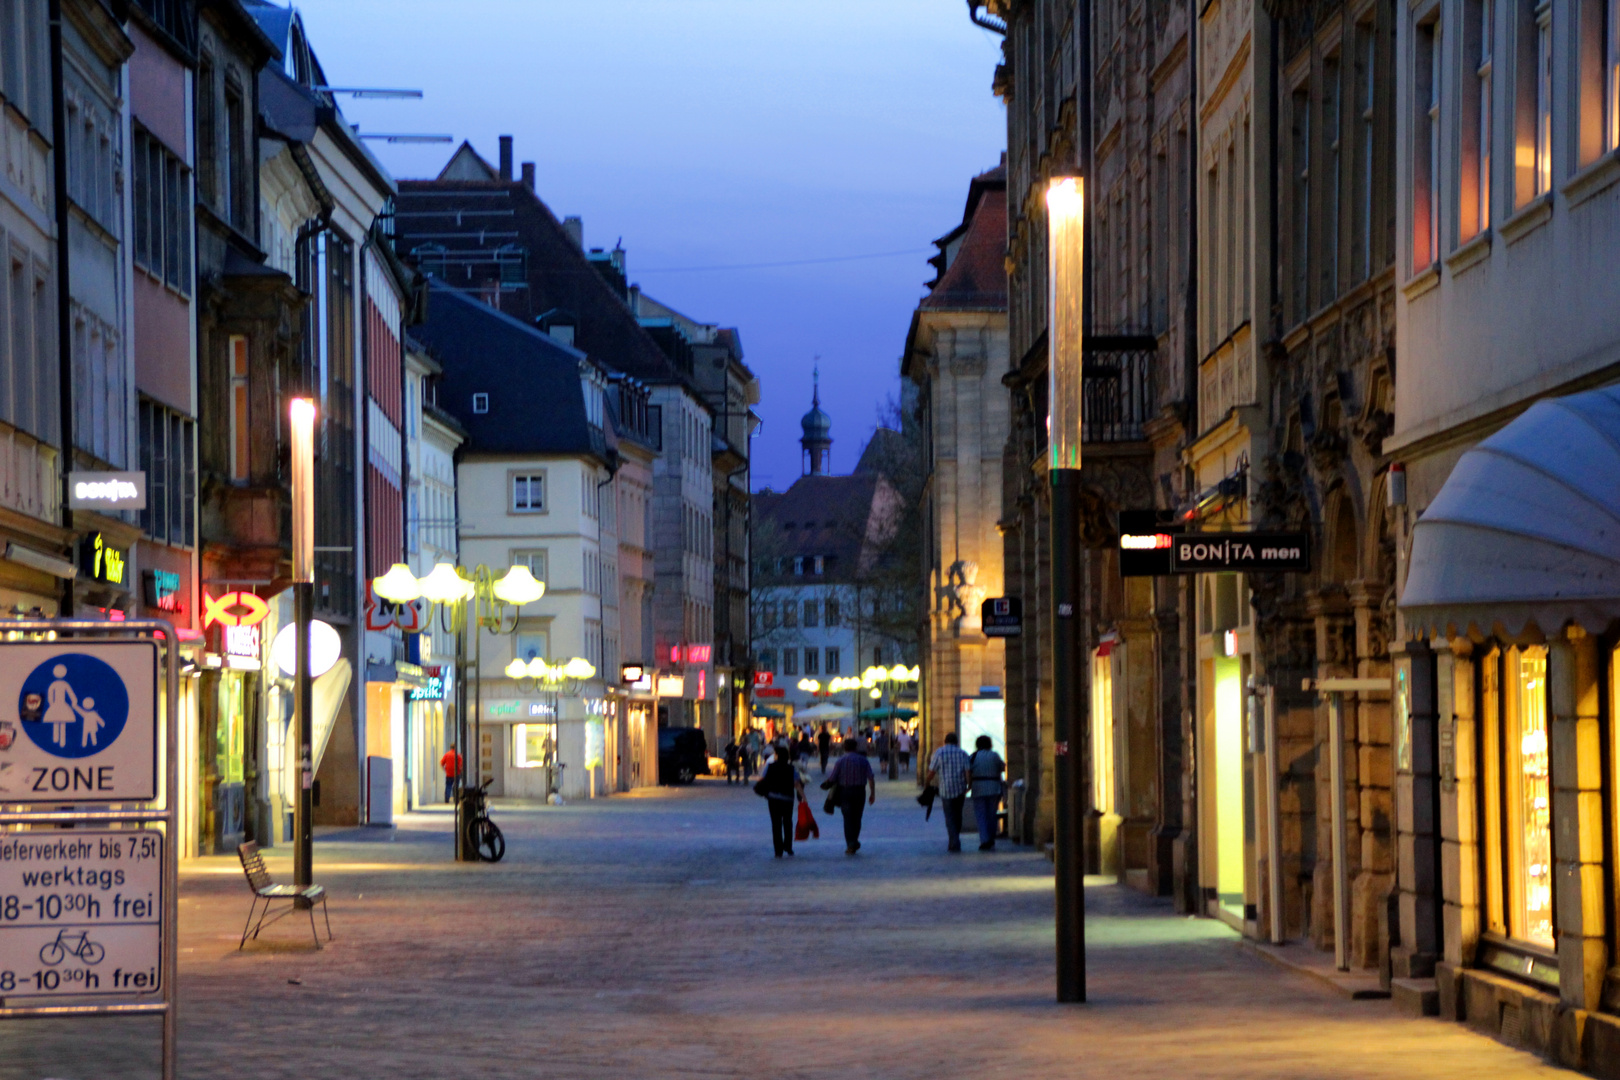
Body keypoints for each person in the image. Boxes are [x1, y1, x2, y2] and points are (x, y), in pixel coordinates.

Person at [827, 736, 876, 854]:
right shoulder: (863, 760)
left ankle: (850, 843)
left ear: (844, 748)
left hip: (845, 792)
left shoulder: (840, 761)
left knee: (847, 818)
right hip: (860, 791)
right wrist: (872, 793)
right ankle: (854, 840)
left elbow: (832, 778)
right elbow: (870, 777)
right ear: (856, 747)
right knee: (857, 817)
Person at [756, 744, 805, 857]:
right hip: (788, 799)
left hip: (773, 798)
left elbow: (762, 778)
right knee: (788, 822)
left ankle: (778, 850)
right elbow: (797, 783)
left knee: (776, 824)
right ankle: (788, 847)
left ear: (777, 755)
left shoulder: (770, 766)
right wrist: (803, 798)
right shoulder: (791, 768)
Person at [926, 732, 971, 852]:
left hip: (945, 790)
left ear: (945, 741)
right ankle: (954, 840)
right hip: (960, 789)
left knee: (949, 816)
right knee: (958, 816)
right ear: (956, 741)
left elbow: (932, 771)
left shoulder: (939, 753)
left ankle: (954, 841)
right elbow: (967, 771)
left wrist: (927, 783)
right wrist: (968, 785)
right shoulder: (963, 753)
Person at [968, 735, 1006, 851]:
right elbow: (1003, 767)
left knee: (981, 815)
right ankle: (991, 837)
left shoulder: (973, 756)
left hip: (978, 787)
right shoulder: (994, 755)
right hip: (993, 787)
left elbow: (968, 771)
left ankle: (984, 839)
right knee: (991, 814)